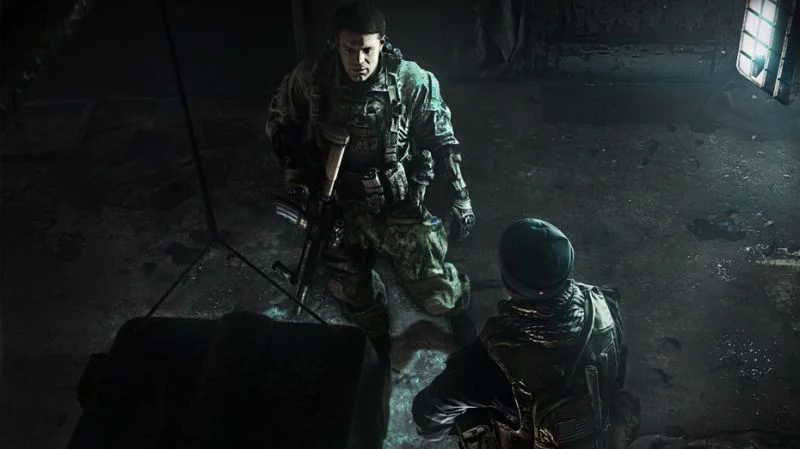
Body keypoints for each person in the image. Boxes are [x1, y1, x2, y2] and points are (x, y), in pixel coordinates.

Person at [265, 1, 477, 348]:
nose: (359, 60)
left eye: (367, 50)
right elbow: (280, 118)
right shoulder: (312, 78)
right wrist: (294, 159)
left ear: (382, 43)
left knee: (435, 289)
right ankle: (375, 340)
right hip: (337, 203)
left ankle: (458, 312)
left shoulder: (410, 81)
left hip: (395, 201)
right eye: (350, 49)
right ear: (337, 44)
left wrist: (460, 195)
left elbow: (442, 141)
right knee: (356, 296)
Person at [412, 218, 641, 449]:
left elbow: (428, 415)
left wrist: (453, 426)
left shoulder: (491, 361)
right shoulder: (604, 304)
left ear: (508, 281)